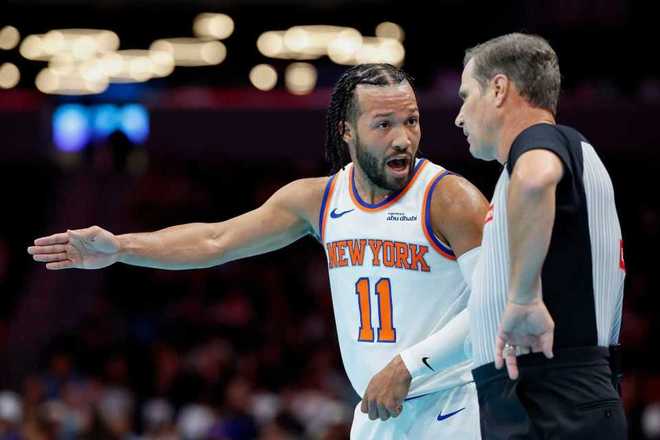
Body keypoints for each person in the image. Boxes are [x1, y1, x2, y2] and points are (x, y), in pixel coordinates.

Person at [29, 63, 489, 439]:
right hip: (375, 414)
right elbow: (216, 239)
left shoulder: (451, 199)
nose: (403, 138)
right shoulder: (320, 200)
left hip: (453, 408)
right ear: (347, 131)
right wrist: (121, 247)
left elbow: (495, 305)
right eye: (384, 124)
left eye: (411, 121)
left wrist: (410, 364)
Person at [455, 33, 627, 439]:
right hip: (559, 393)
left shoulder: (541, 141)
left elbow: (534, 181)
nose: (458, 117)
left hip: (550, 394)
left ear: (499, 89)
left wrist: (523, 299)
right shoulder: (566, 149)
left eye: (465, 96)